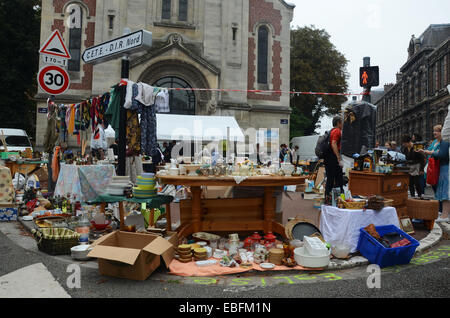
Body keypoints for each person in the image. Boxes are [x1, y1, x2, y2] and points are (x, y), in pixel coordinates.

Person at [420, 130, 449, 222]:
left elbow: (441, 154)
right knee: (444, 191)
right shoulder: (441, 142)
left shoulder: (445, 141)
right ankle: (444, 213)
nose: (434, 133)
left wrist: (428, 152)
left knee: (445, 191)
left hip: (446, 168)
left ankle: (445, 215)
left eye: (437, 131)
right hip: (443, 167)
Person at [324, 116, 344, 197]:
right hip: (333, 157)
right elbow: (334, 143)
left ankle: (328, 197)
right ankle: (338, 197)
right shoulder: (337, 131)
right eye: (341, 122)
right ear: (338, 123)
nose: (342, 124)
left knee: (331, 178)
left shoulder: (331, 131)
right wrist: (338, 157)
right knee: (338, 178)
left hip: (329, 157)